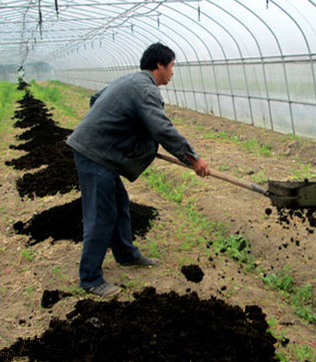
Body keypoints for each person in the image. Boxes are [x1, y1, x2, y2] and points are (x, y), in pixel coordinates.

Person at [66, 43, 209, 297]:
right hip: (94, 155)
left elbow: (96, 100)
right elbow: (162, 128)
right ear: (159, 66)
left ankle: (126, 254)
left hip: (100, 153)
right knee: (101, 215)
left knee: (119, 204)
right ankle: (90, 278)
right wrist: (193, 159)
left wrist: (119, 132)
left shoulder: (131, 80)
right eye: (172, 66)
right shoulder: (145, 89)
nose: (173, 73)